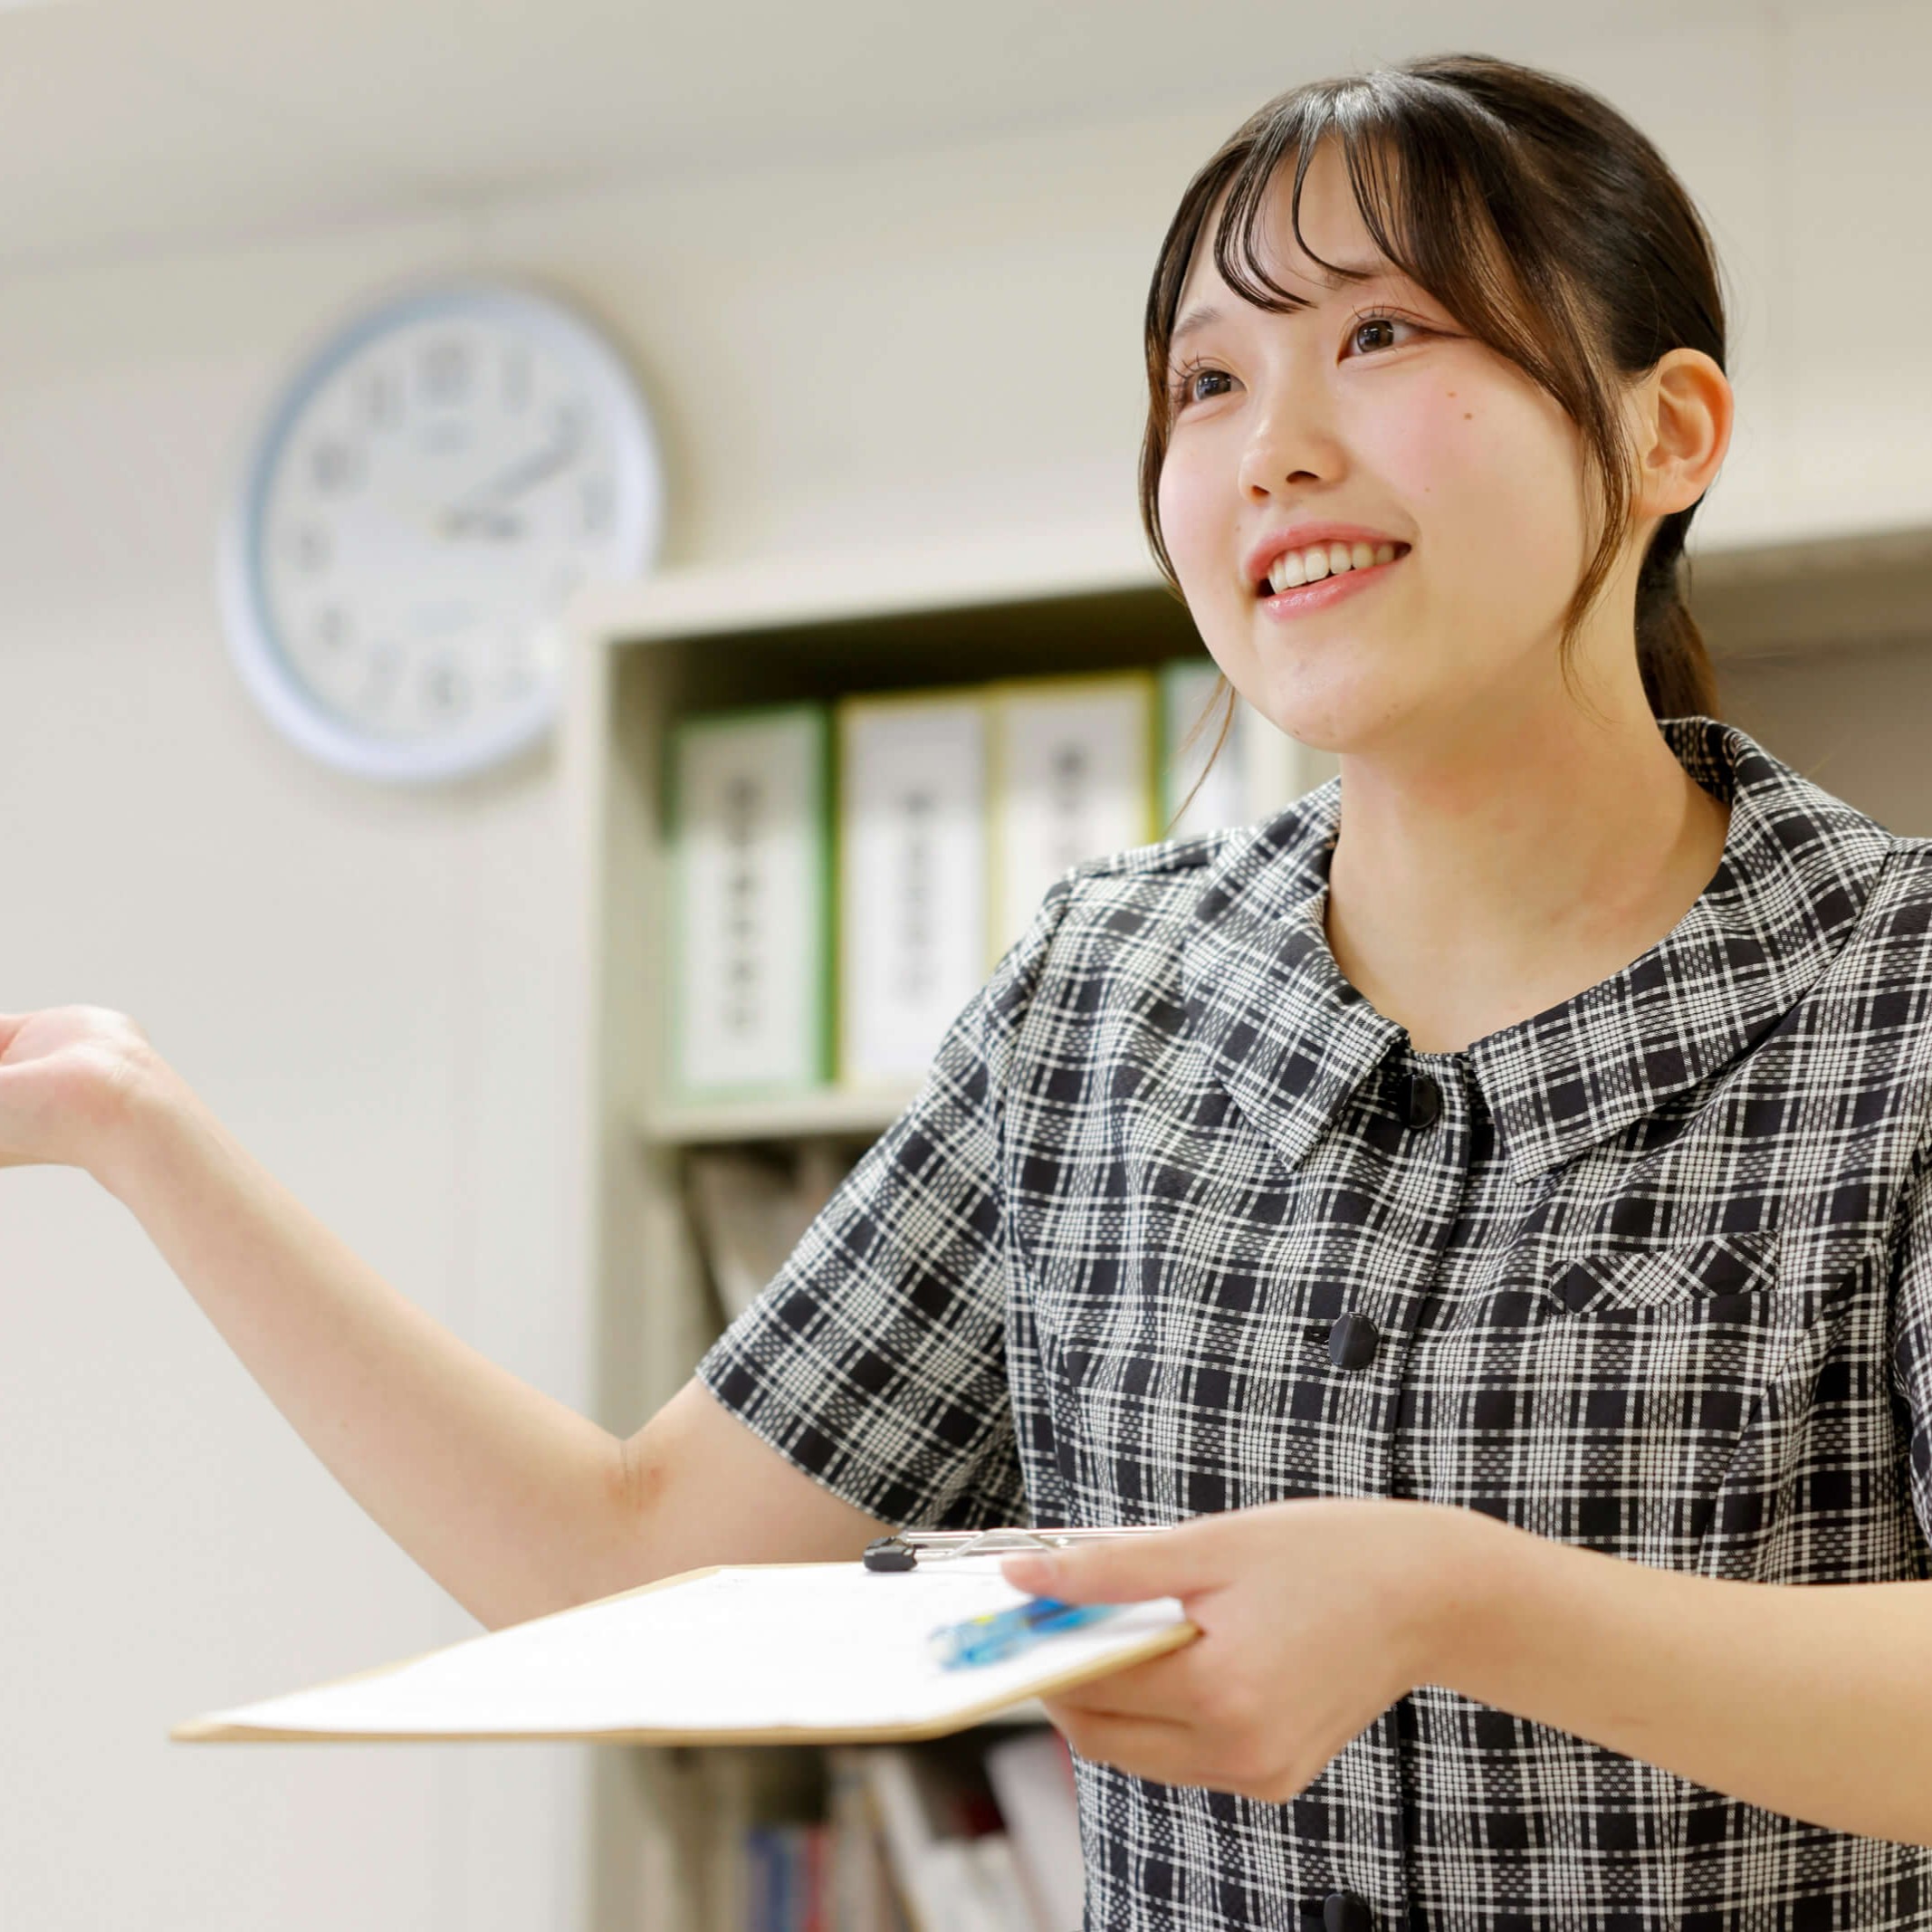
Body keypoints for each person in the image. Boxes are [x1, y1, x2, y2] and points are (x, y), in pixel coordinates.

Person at [7, 47, 1932, 1932]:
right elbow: (626, 1558)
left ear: (1667, 430)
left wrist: (1457, 1595)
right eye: (1203, 378)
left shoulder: (1898, 988)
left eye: (1379, 335)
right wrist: (127, 1119)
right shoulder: (1093, 1003)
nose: (1269, 445)